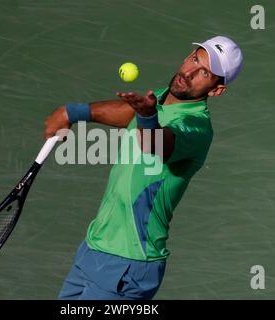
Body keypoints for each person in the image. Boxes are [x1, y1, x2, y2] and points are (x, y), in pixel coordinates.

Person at [45, 35, 243, 300]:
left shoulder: (196, 127)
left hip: (129, 263)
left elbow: (158, 145)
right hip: (94, 247)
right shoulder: (162, 98)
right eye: (195, 58)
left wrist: (148, 117)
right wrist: (75, 112)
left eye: (204, 72)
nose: (189, 71)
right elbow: (130, 115)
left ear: (215, 89)